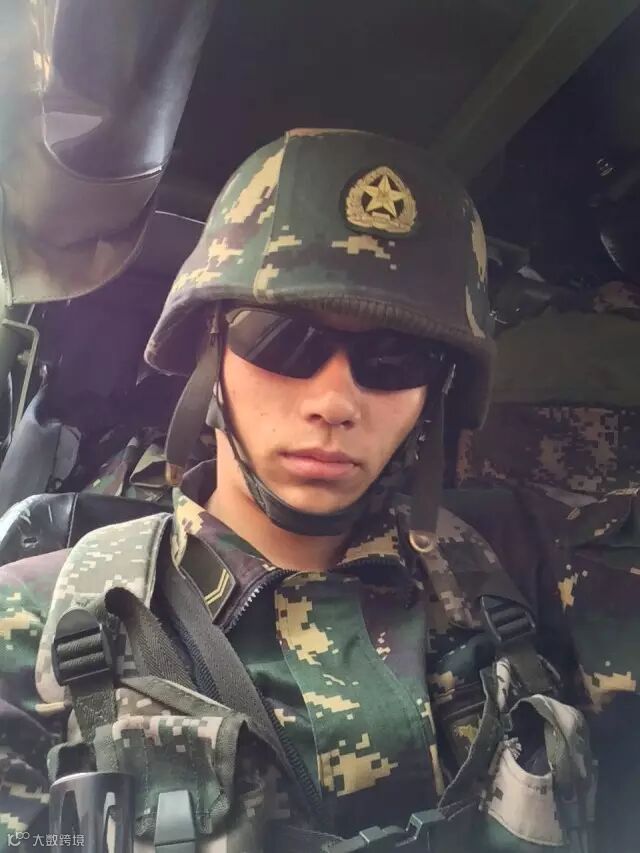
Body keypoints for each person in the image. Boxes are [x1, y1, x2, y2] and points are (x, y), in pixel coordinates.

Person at [0, 129, 596, 853]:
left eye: (394, 358)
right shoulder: (35, 629)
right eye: (283, 338)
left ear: (435, 392)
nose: (334, 402)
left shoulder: (507, 583)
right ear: (210, 346)